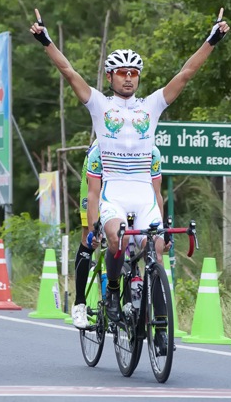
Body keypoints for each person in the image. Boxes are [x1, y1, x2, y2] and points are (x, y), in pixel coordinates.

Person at [30, 7, 228, 323]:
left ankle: (160, 324)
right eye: (121, 73)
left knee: (158, 247)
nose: (127, 78)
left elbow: (186, 73)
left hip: (143, 194)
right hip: (112, 191)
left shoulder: (151, 106)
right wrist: (46, 40)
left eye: (133, 73)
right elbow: (68, 71)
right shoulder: (99, 104)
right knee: (114, 236)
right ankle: (107, 294)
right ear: (110, 77)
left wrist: (212, 39)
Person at [71, 138, 164, 329]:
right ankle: (79, 303)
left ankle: (133, 290)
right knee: (89, 238)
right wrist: (93, 229)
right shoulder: (100, 149)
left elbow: (156, 195)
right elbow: (93, 194)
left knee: (134, 236)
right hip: (99, 181)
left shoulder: (150, 150)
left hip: (132, 191)